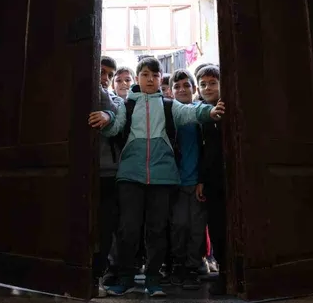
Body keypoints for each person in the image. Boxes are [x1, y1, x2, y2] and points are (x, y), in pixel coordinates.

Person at [88, 57, 225, 297]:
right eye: (145, 75)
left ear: (160, 78)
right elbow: (115, 126)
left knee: (157, 230)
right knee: (128, 229)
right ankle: (126, 278)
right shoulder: (127, 105)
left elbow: (192, 111)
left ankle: (153, 279)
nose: (150, 80)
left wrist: (210, 111)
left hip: (163, 177)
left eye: (154, 75)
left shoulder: (170, 105)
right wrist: (107, 119)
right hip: (130, 176)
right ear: (138, 78)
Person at [167, 69, 206, 290]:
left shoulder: (201, 115)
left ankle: (193, 266)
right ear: (171, 92)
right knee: (179, 225)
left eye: (186, 85)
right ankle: (178, 265)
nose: (182, 89)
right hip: (176, 183)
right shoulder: (169, 115)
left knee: (197, 228)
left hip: (197, 183)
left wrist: (202, 178)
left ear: (194, 89)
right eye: (177, 86)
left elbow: (207, 152)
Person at [196, 64, 226, 294]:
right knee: (216, 226)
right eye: (203, 84)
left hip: (231, 176)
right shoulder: (199, 114)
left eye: (213, 83)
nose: (207, 88)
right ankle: (224, 272)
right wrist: (201, 180)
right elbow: (203, 152)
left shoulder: (228, 109)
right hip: (211, 179)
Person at [96, 56, 122, 296]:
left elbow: (115, 114)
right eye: (101, 72)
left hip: (108, 173)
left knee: (105, 228)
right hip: (82, 172)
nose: (105, 78)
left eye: (109, 75)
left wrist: (107, 114)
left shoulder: (115, 99)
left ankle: (97, 276)